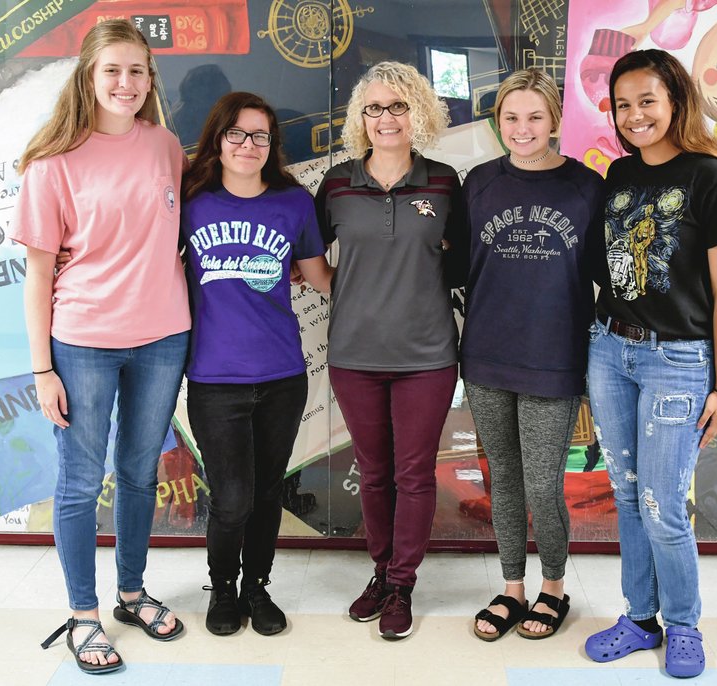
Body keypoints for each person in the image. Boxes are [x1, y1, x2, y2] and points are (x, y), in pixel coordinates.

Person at [11, 19, 190, 675]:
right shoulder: (52, 162)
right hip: (82, 343)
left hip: (164, 339)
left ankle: (132, 592)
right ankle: (84, 615)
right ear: (88, 76)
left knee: (142, 474)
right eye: (112, 70)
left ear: (150, 78)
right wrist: (42, 369)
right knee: (82, 484)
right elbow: (37, 274)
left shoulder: (166, 146)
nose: (126, 83)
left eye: (137, 71)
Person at [584, 49, 717, 678]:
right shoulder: (619, 178)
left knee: (662, 504)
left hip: (677, 361)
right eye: (623, 105)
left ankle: (684, 625)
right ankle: (640, 615)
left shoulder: (713, 179)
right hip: (610, 350)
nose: (634, 115)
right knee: (625, 495)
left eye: (646, 100)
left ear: (675, 99)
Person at [314, 61, 467, 640]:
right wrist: (348, 290)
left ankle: (403, 583)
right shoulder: (336, 182)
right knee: (374, 473)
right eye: (374, 108)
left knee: (414, 473)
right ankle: (380, 571)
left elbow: (460, 264)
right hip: (354, 355)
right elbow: (309, 255)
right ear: (361, 117)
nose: (386, 118)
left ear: (418, 113)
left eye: (398, 106)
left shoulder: (444, 181)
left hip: (427, 357)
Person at [180, 92, 333, 637]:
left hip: (282, 376)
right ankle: (222, 587)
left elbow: (320, 276)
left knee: (268, 491)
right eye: (237, 135)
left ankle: (256, 588)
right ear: (218, 141)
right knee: (232, 497)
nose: (249, 146)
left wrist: (393, 289)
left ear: (273, 145)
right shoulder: (190, 201)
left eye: (260, 136)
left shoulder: (294, 203)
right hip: (214, 379)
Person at [461, 69, 605, 642]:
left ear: (555, 120)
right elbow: (457, 270)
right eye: (511, 118)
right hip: (488, 356)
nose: (522, 129)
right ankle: (512, 587)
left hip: (554, 357)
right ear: (498, 122)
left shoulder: (586, 187)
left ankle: (553, 587)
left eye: (535, 117)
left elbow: (602, 273)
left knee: (543, 485)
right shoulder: (478, 184)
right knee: (505, 482)